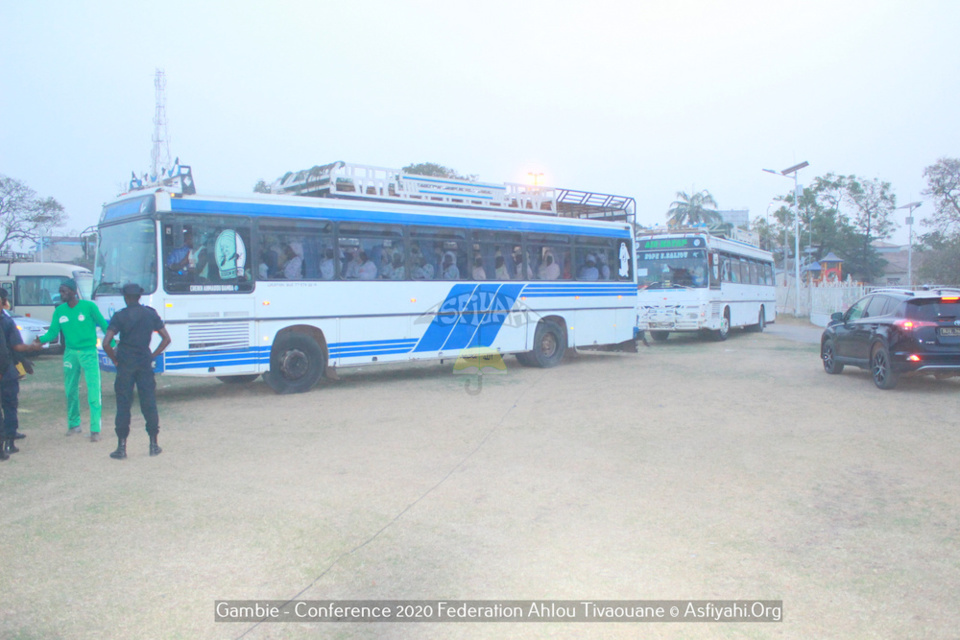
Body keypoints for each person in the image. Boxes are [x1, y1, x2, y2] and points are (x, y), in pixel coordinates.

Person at [30, 279, 110, 441]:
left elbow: (104, 325)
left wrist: (112, 344)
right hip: (70, 353)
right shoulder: (60, 311)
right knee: (70, 390)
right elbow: (53, 333)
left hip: (88, 352)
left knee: (93, 391)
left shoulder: (89, 307)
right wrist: (40, 340)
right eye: (60, 291)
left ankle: (95, 429)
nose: (61, 294)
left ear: (74, 292)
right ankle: (74, 424)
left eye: (64, 291)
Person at [102, 284, 172, 459]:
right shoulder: (150, 314)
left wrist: (115, 359)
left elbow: (106, 343)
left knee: (123, 405)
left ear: (125, 297)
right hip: (144, 362)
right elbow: (166, 338)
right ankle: (154, 444)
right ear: (139, 297)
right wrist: (152, 355)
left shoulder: (120, 316)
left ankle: (121, 447)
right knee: (149, 403)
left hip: (125, 363)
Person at [0, 288, 32, 459]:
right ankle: (9, 442)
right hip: (6, 369)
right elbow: (13, 346)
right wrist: (23, 361)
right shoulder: (6, 320)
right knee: (10, 405)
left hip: (7, 368)